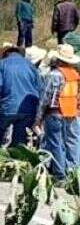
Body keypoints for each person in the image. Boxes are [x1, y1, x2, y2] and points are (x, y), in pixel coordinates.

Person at [0, 45, 42, 157]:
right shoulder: (31, 66)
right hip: (28, 109)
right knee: (19, 140)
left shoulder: (0, 64)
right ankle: (14, 166)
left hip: (7, 107)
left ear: (5, 53)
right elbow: (39, 87)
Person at [38, 46, 80, 179]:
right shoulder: (75, 76)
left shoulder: (54, 75)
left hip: (55, 113)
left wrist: (38, 117)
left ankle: (59, 173)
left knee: (56, 143)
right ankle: (73, 172)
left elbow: (45, 97)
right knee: (72, 142)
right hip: (72, 113)